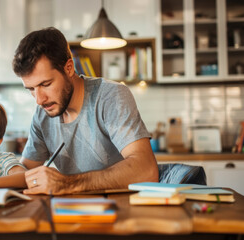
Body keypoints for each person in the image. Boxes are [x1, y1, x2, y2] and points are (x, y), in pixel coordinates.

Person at [9, 27, 159, 195]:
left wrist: (67, 183)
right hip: (70, 212)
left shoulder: (110, 96)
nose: (39, 100)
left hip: (122, 211)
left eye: (46, 84)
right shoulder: (42, 114)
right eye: (30, 89)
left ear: (69, 68)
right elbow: (25, 172)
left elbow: (146, 171)